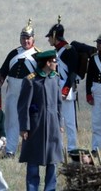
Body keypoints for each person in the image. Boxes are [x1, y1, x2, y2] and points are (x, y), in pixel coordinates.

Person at [17, 50, 63, 191]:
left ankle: (50, 189)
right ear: (48, 63)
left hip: (52, 126)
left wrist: (60, 123)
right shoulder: (31, 80)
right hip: (36, 127)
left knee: (52, 161)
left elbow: (59, 103)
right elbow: (23, 106)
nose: (56, 64)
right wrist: (24, 127)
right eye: (54, 61)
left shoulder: (55, 78)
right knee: (33, 161)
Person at [0, 18, 40, 158]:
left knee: (28, 120)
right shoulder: (14, 53)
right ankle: (10, 150)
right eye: (23, 38)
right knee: (11, 120)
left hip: (28, 90)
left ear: (33, 39)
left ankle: (30, 149)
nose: (26, 41)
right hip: (12, 89)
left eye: (28, 38)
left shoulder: (38, 55)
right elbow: (4, 68)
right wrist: (1, 78)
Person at [45, 16, 79, 152]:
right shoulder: (55, 51)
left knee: (69, 122)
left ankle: (71, 148)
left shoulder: (69, 50)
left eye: (50, 37)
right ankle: (56, 146)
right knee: (56, 121)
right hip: (54, 89)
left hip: (66, 90)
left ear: (55, 36)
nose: (48, 39)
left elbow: (72, 73)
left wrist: (65, 90)